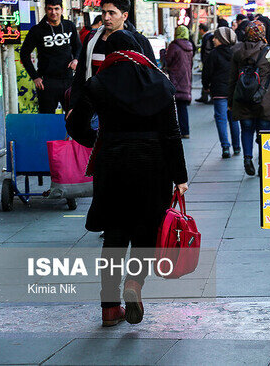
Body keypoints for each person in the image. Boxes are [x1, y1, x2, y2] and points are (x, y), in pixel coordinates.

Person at [66, 30, 188, 327]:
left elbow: (75, 124)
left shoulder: (98, 83)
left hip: (113, 165)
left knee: (114, 236)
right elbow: (171, 134)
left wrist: (99, 138)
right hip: (153, 166)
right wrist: (180, 177)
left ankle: (109, 308)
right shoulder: (160, 83)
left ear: (110, 54)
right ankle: (134, 284)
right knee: (145, 233)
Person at [71, 0, 156, 108]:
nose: (106, 18)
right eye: (104, 12)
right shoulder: (92, 39)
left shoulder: (139, 42)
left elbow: (152, 77)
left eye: (112, 13)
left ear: (124, 16)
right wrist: (73, 105)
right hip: (94, 106)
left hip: (127, 108)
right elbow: (80, 74)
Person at [229, 20, 270, 175]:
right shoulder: (269, 52)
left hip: (243, 99)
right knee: (264, 133)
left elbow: (232, 79)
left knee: (247, 129)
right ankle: (262, 164)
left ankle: (247, 158)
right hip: (265, 99)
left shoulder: (237, 52)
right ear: (262, 33)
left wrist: (231, 101)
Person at [19, 0, 81, 113]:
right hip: (46, 81)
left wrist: (76, 59)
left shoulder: (69, 26)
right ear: (45, 9)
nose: (53, 12)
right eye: (50, 9)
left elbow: (78, 47)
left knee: (73, 116)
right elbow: (24, 54)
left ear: (62, 9)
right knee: (46, 118)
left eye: (56, 8)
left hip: (68, 79)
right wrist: (35, 77)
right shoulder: (37, 30)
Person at [205, 27, 240, 158]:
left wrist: (205, 85)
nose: (213, 40)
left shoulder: (214, 54)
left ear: (222, 39)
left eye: (216, 38)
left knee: (221, 119)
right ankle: (237, 147)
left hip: (219, 91)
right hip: (233, 91)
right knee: (234, 120)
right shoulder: (236, 53)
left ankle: (225, 147)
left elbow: (207, 72)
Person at [165, 25, 195, 138]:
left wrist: (163, 53)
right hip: (186, 79)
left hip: (174, 79)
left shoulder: (174, 45)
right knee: (182, 107)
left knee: (171, 107)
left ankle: (173, 130)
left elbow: (168, 61)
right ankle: (185, 131)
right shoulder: (189, 46)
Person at [195, 23, 213, 104]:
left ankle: (208, 96)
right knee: (206, 78)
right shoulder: (208, 37)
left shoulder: (207, 38)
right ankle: (204, 96)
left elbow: (207, 51)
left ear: (202, 30)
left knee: (207, 78)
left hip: (207, 62)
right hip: (207, 62)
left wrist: (206, 62)